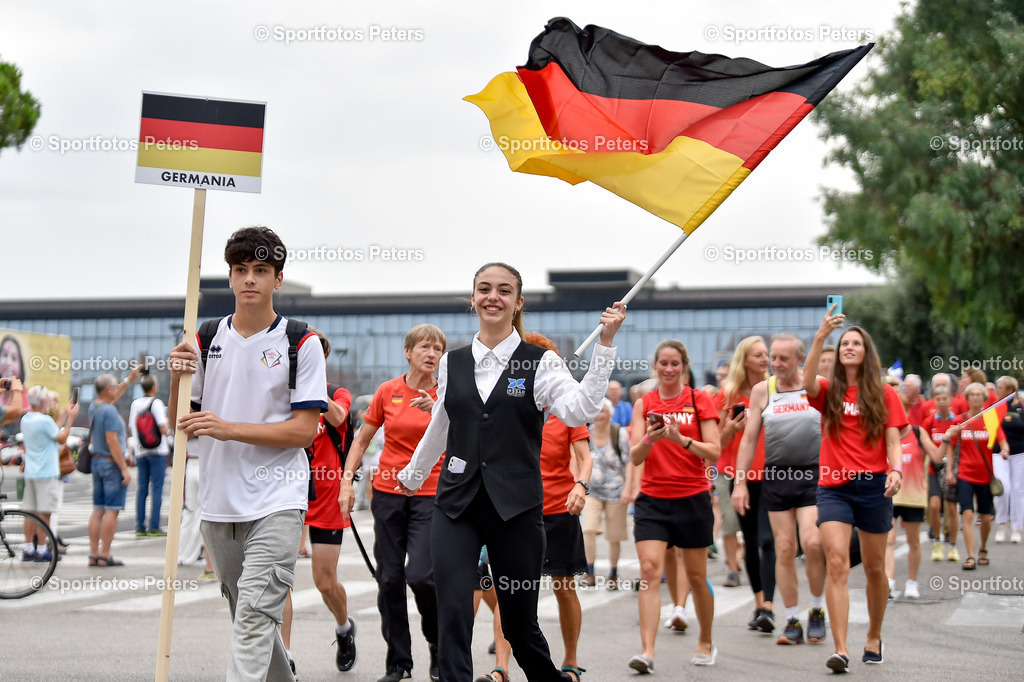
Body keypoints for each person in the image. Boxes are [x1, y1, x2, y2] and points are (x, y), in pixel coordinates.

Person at [397, 262, 625, 682]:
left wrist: (605, 345)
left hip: (515, 507)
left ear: (517, 303)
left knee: (520, 624)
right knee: (452, 611)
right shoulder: (453, 363)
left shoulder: (540, 362)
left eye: (504, 290)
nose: (492, 297)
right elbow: (444, 423)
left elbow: (582, 409)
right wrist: (413, 474)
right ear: (472, 298)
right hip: (456, 503)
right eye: (484, 289)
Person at [168, 226, 327, 682]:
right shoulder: (206, 337)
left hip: (277, 500)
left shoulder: (301, 342)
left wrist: (228, 428)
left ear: (278, 279)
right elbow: (179, 424)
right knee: (249, 615)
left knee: (256, 614)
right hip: (219, 503)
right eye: (241, 271)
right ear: (231, 277)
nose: (250, 280)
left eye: (261, 270)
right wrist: (177, 375)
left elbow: (303, 431)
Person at [341, 324, 446, 682]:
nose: (431, 354)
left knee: (422, 577)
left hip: (431, 494)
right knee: (389, 579)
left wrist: (439, 408)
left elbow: (469, 437)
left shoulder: (448, 393)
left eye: (437, 349)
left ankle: (436, 644)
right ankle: (398, 663)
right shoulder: (388, 391)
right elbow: (361, 439)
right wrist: (346, 481)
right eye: (425, 348)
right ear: (408, 352)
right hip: (387, 493)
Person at [804, 311, 907, 673]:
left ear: (867, 352)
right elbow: (806, 381)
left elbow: (893, 440)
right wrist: (820, 337)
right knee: (836, 561)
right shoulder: (828, 390)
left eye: (855, 343)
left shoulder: (884, 393)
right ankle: (841, 648)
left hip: (874, 487)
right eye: (844, 343)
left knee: (876, 568)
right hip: (834, 487)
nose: (849, 347)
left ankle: (874, 636)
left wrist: (896, 470)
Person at [628, 339, 720, 671]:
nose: (669, 369)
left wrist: (681, 440)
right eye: (663, 363)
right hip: (653, 500)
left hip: (692, 498)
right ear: (655, 366)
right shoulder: (644, 403)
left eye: (675, 364)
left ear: (684, 367)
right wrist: (651, 438)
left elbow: (715, 451)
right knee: (650, 571)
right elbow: (636, 457)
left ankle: (706, 641)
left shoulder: (699, 400)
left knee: (696, 576)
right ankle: (648, 652)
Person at [732, 333, 827, 646]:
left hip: (813, 475)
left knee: (812, 543)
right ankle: (792, 619)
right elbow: (748, 439)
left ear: (800, 359)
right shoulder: (763, 390)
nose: (775, 363)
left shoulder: (817, 387)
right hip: (777, 476)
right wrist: (741, 482)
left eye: (783, 358)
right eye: (773, 357)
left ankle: (816, 609)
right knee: (784, 548)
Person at [289, 329, 356, 674]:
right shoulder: (281, 395)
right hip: (285, 492)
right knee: (277, 578)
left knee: (324, 582)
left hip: (327, 495)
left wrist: (311, 388)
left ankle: (345, 628)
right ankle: (280, 657)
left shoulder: (334, 393)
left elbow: (339, 418)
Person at [527, 331, 592, 681]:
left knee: (564, 587)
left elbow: (584, 458)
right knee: (513, 588)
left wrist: (581, 485)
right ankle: (502, 666)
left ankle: (570, 660)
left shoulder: (566, 409)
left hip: (559, 510)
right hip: (518, 512)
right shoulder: (510, 402)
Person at [718, 336, 776, 633]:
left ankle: (769, 605)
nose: (765, 359)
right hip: (740, 478)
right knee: (751, 542)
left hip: (773, 475)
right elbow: (715, 444)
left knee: (769, 540)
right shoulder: (728, 394)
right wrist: (731, 428)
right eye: (758, 355)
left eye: (767, 354)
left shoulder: (775, 390)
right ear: (745, 359)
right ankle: (758, 602)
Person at [939, 382, 1010, 571]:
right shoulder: (960, 421)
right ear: (967, 398)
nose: (976, 397)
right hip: (965, 473)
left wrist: (1004, 450)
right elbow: (951, 445)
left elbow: (1003, 441)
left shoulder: (990, 419)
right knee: (968, 514)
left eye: (980, 394)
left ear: (984, 398)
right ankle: (970, 555)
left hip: (985, 475)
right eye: (973, 394)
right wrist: (949, 471)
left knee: (985, 517)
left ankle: (983, 548)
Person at [88, 369, 139, 567]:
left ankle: (94, 553)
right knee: (112, 510)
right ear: (108, 389)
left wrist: (129, 379)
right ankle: (105, 554)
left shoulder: (95, 406)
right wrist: (124, 468)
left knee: (98, 510)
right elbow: (113, 442)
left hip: (97, 461)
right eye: (115, 386)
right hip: (111, 464)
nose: (117, 389)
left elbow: (113, 396)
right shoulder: (109, 411)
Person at [885, 416, 940, 599]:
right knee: (889, 540)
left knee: (913, 541)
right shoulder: (884, 430)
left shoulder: (917, 432)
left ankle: (911, 582)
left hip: (914, 495)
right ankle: (889, 581)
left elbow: (937, 456)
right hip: (889, 493)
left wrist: (947, 439)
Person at [20, 385, 77, 562]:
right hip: (46, 472)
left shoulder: (27, 419)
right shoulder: (44, 421)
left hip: (31, 472)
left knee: (31, 511)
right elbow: (61, 437)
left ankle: (29, 548)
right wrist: (71, 419)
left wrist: (65, 413)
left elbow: (51, 427)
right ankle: (42, 549)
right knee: (45, 512)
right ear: (43, 402)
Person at [582, 398, 632, 589]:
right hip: (592, 490)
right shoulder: (587, 433)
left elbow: (628, 460)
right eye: (596, 411)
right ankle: (590, 571)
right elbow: (579, 457)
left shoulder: (619, 434)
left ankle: (613, 574)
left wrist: (629, 488)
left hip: (616, 492)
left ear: (610, 414)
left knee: (614, 535)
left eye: (603, 411)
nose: (599, 415)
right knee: (588, 529)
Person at [921, 387, 962, 562]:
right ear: (934, 401)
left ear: (950, 400)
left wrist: (952, 470)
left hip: (952, 468)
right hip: (934, 467)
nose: (941, 402)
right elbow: (924, 446)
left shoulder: (957, 422)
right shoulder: (929, 422)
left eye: (945, 398)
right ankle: (937, 541)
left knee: (952, 508)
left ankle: (952, 545)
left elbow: (955, 446)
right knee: (935, 505)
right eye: (938, 399)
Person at [128, 374, 170, 537]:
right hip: (158, 450)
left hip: (141, 451)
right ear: (154, 387)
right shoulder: (157, 403)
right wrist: (168, 428)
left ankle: (139, 526)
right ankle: (154, 526)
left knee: (142, 489)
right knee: (157, 488)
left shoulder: (135, 404)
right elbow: (162, 428)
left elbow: (132, 428)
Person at [994, 377, 1023, 544]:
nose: (997, 390)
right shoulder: (996, 406)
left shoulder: (1021, 406)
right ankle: (1002, 524)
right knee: (1003, 488)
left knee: (1017, 490)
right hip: (999, 453)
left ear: (1009, 390)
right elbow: (994, 428)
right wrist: (1003, 446)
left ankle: (1017, 528)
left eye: (1000, 387)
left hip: (1020, 452)